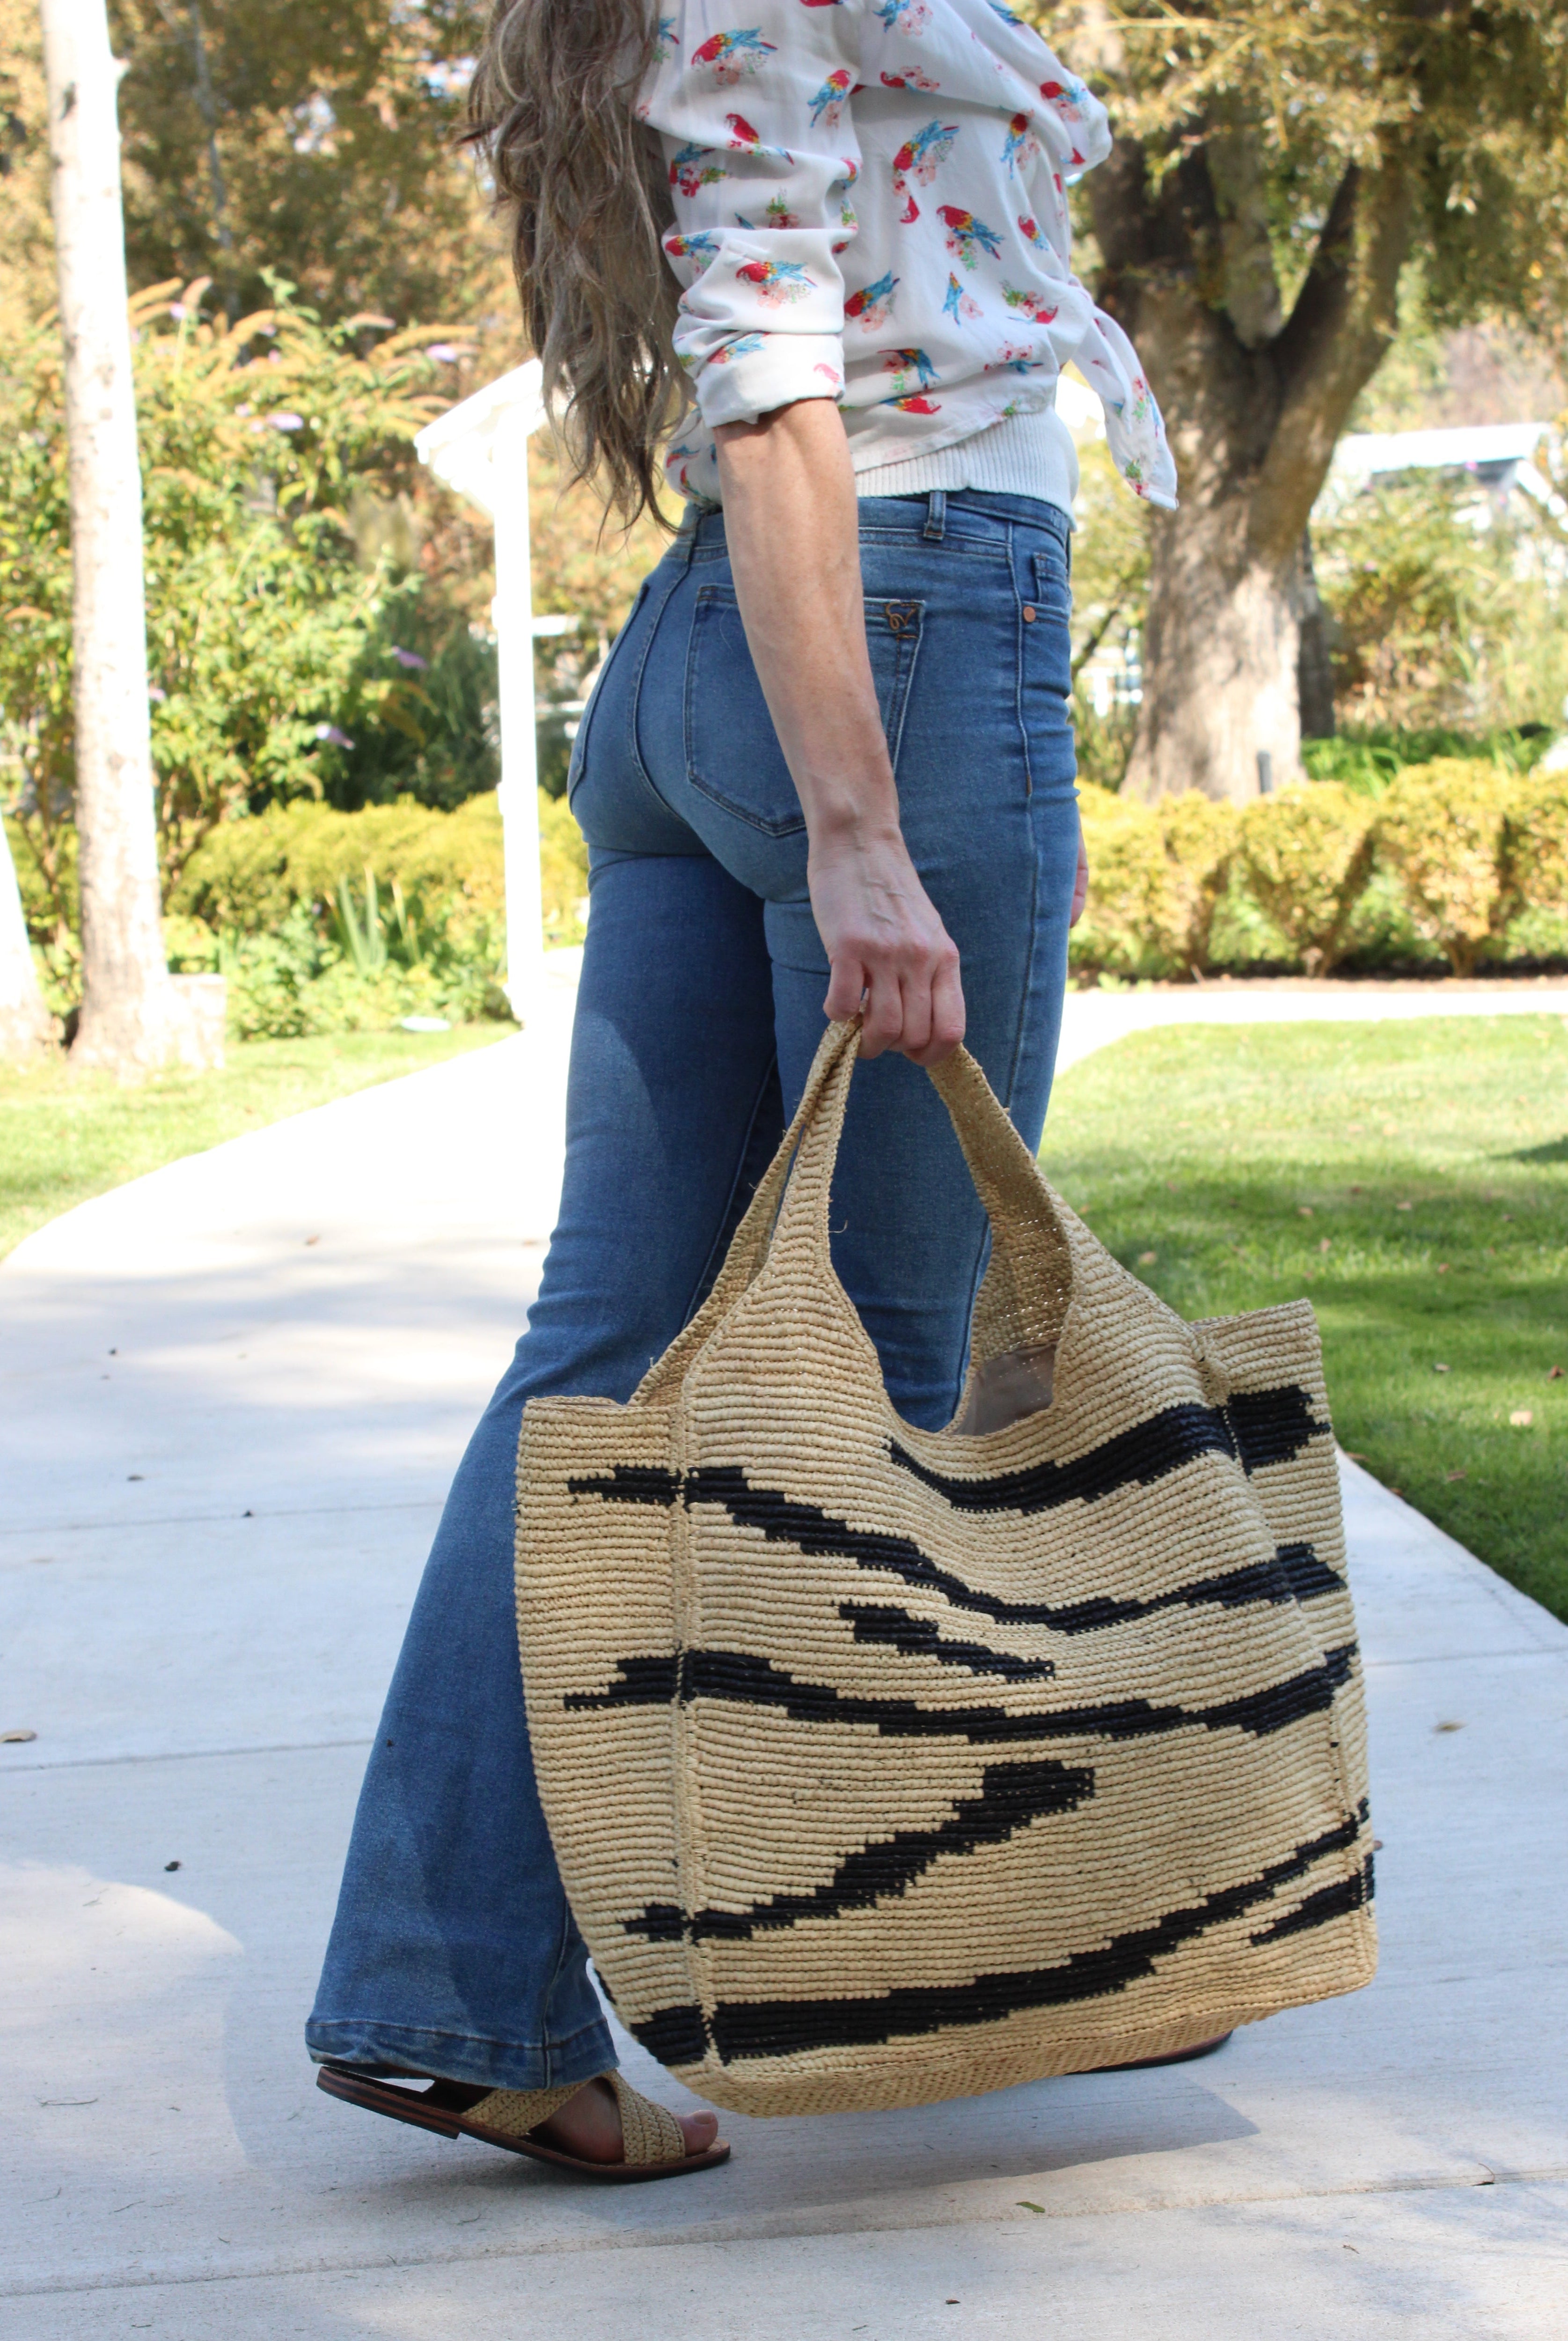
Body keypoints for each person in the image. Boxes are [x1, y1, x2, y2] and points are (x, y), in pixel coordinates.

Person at [307, 0, 1177, 2181]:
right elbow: (778, 372)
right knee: (879, 1354)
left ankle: (456, 1987)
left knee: (606, 1362)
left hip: (712, 649)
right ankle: (971, 1952)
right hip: (878, 625)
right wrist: (866, 832)